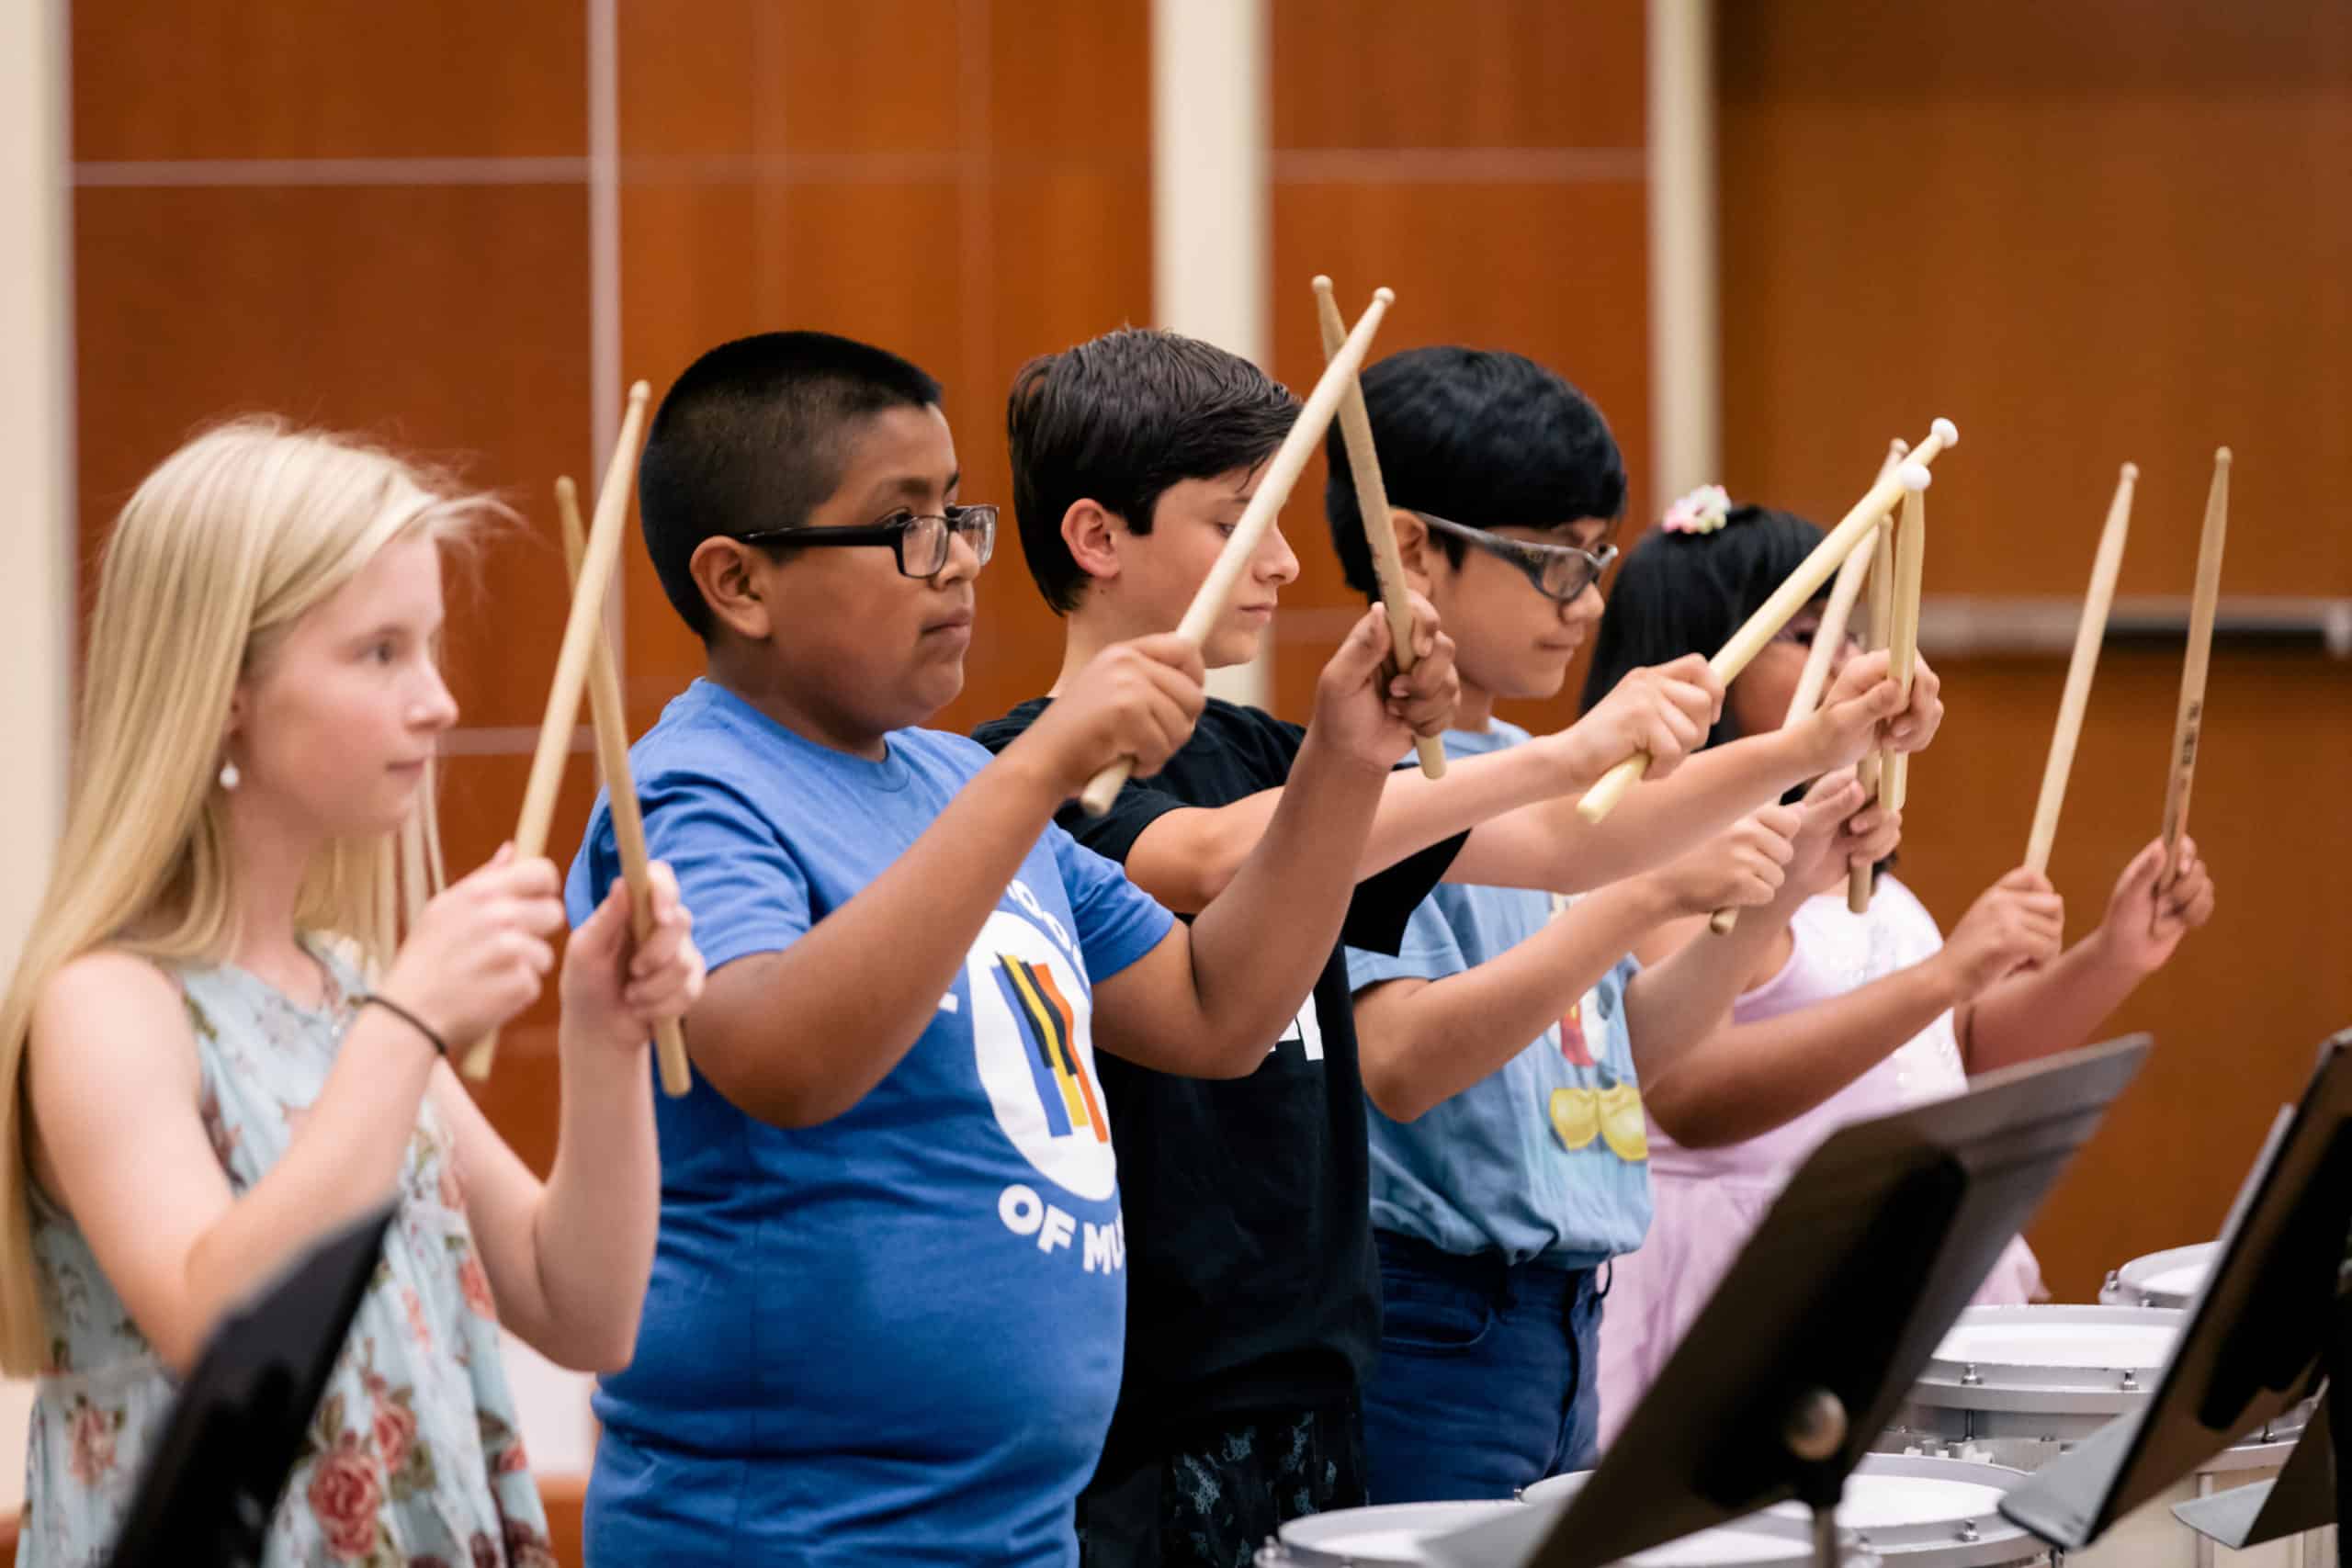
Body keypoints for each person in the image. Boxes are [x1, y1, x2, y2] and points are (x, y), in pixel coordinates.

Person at [571, 331, 1423, 1566]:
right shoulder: (693, 790)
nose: (960, 561)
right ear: (739, 581)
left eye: (957, 512)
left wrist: (1345, 755)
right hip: (795, 1531)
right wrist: (1038, 765)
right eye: (904, 524)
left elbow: (1214, 1007)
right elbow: (780, 1055)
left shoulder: (950, 779)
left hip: (1015, 1529)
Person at [0, 419, 705, 1565]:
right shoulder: (109, 1004)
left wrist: (600, 1034)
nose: (434, 699)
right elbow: (213, 1325)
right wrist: (410, 1024)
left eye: (427, 647)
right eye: (380, 652)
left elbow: (581, 1308)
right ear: (227, 686)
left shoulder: (347, 987)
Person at [1316, 347, 1935, 1502]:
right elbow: (1400, 1065)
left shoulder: (1538, 781)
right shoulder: (1365, 789)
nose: (1592, 602)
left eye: (1597, 559)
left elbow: (1634, 1059)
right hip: (1435, 1328)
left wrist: (1782, 888)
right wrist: (1643, 897)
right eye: (1555, 563)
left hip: (1566, 1321)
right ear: (1413, 551)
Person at [1583, 492, 2218, 1443]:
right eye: (1810, 635)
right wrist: (1944, 977)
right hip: (1753, 1294)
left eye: (1853, 634)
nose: (1852, 663)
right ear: (1695, 668)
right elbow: (1688, 1094)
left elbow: (1952, 1052)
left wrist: (2109, 955)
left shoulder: (1850, 849)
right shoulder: (1674, 854)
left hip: (1892, 1265)